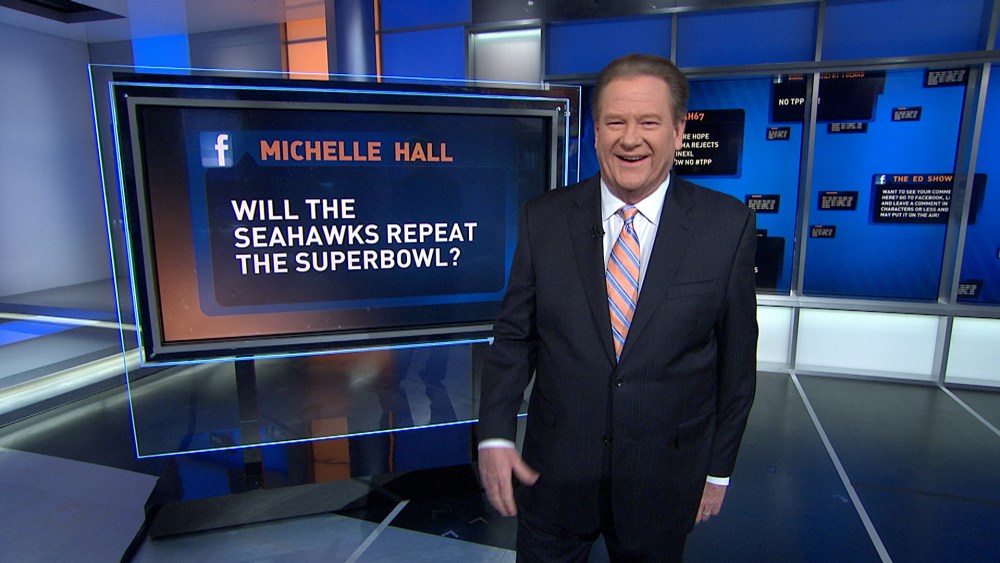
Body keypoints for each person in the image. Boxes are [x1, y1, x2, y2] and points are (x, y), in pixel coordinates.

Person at [476, 53, 758, 562]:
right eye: (615, 122)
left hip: (663, 480)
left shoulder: (727, 226)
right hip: (554, 476)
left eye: (649, 122)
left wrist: (718, 471)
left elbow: (736, 368)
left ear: (678, 132)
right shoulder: (544, 219)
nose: (630, 139)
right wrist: (494, 433)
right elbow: (514, 337)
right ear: (594, 133)